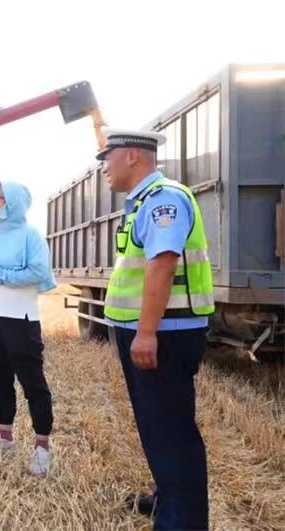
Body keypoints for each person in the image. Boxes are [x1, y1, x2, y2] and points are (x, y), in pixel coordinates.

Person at [98, 128, 214, 530]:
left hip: (164, 333)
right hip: (152, 330)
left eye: (107, 158)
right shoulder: (144, 202)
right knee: (156, 425)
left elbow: (162, 266)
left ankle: (181, 521)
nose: (103, 168)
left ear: (131, 156)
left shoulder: (164, 200)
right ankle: (169, 498)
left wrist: (146, 333)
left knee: (170, 431)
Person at [0, 180, 57, 476]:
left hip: (21, 318)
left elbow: (38, 272)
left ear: (14, 201)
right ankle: (4, 436)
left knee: (33, 384)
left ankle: (42, 446)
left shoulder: (31, 236)